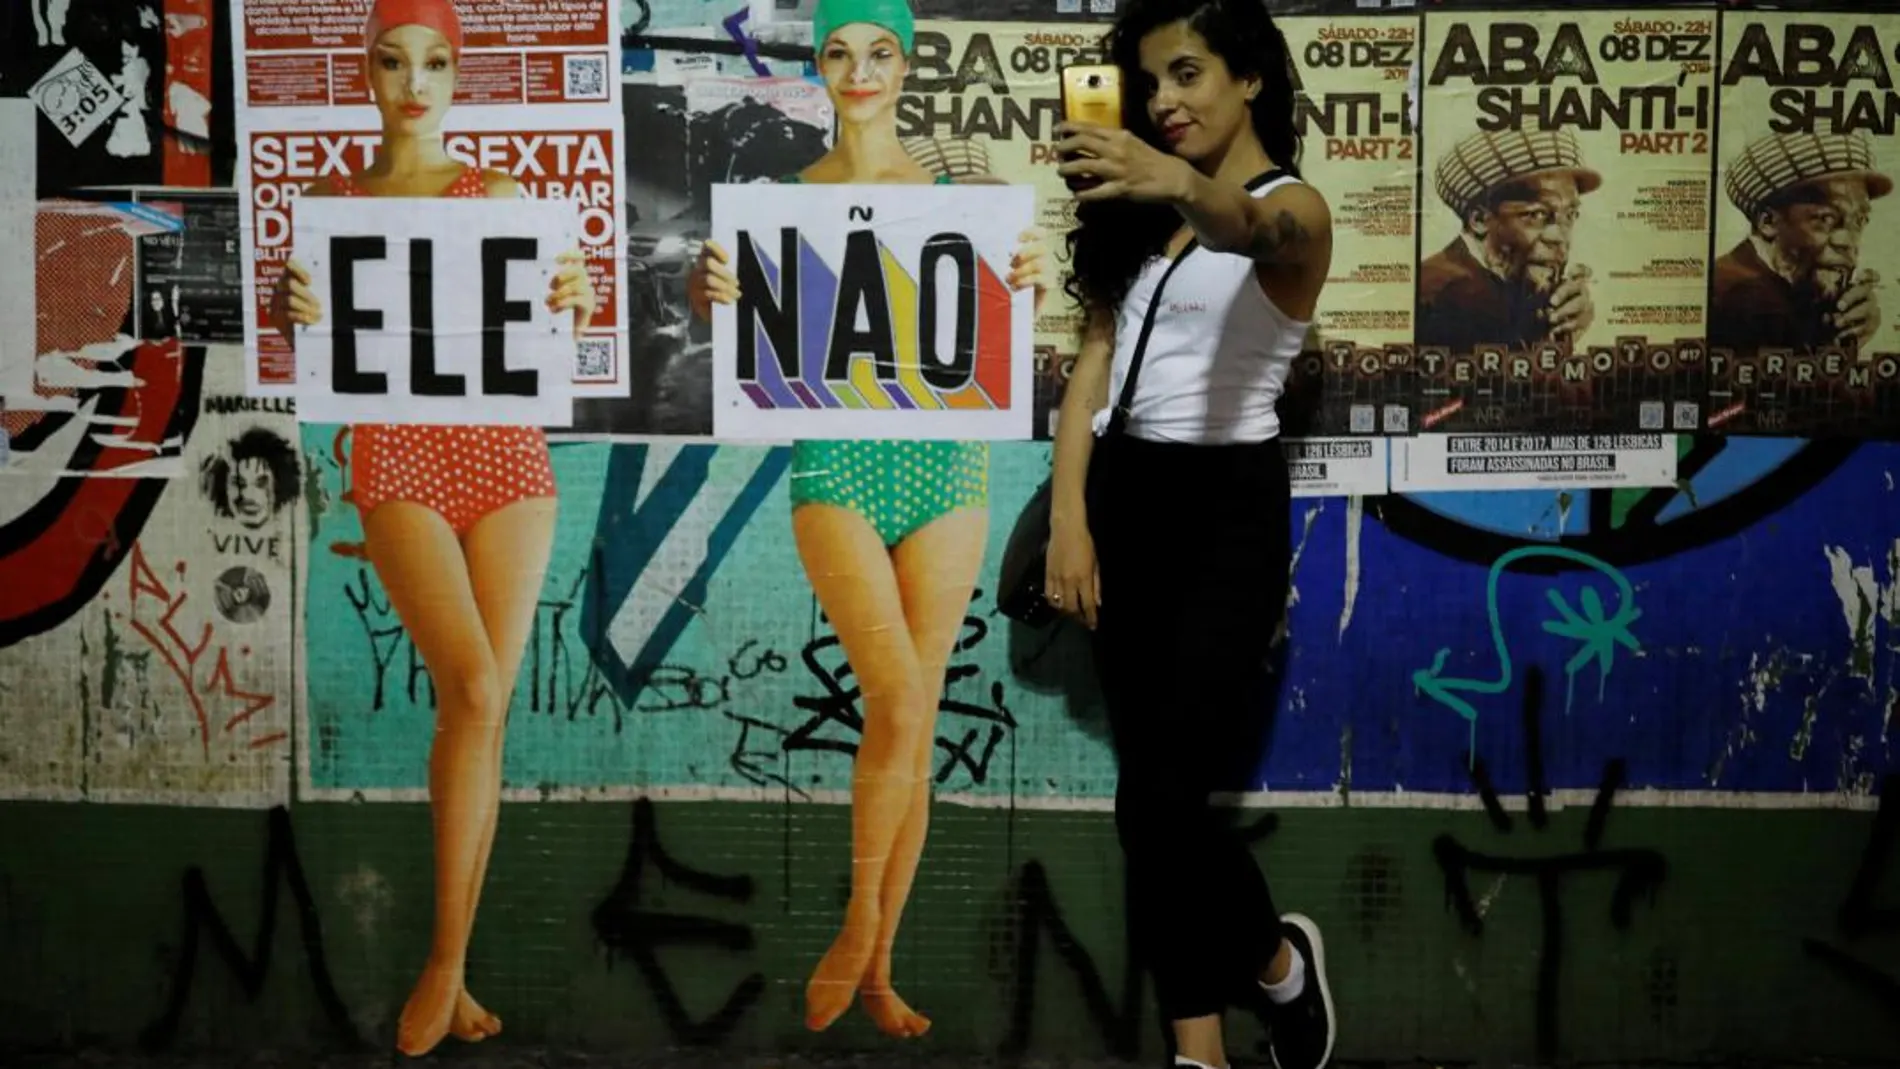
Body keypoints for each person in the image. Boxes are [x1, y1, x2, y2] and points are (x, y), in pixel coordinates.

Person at [687, 0, 1048, 1039]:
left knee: (914, 716)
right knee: (894, 697)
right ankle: (856, 926)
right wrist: (709, 285)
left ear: (906, 65)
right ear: (819, 66)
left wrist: (1026, 280)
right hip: (838, 463)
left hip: (946, 464)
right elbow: (729, 315)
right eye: (840, 52)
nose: (859, 70)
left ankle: (879, 965)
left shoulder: (955, 200)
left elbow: (1002, 331)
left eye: (878, 52)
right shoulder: (780, 199)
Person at [266, 0, 598, 1056]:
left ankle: (453, 967)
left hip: (507, 456)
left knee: (483, 720)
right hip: (398, 454)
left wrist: (575, 294)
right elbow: (308, 346)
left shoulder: (494, 192)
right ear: (365, 73)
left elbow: (553, 322)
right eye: (394, 60)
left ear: (458, 80)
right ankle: (444, 962)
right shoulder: (331, 202)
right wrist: (290, 310)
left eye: (438, 63)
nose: (416, 81)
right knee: (475, 689)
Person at [1043, 0, 1337, 1066]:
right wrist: (1071, 517)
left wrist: (1178, 184)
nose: (1163, 102)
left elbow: (1255, 231)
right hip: (1125, 500)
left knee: (1168, 798)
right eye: (1149, 84)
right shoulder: (1137, 215)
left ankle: (1275, 966)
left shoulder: (1289, 208)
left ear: (1249, 77)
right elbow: (1094, 368)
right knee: (1148, 806)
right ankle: (1204, 1047)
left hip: (1225, 514)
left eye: (1186, 75)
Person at [1418, 128, 1598, 353]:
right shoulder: (1446, 296)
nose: (1560, 237)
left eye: (1569, 215)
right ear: (1480, 220)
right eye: (1536, 215)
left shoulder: (1511, 286)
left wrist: (1565, 330)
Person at [1711, 130, 1886, 355]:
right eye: (1825, 218)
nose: (1849, 241)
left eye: (1859, 220)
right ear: (1768, 222)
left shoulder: (1792, 287)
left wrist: (1845, 327)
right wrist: (1836, 349)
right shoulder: (1745, 301)